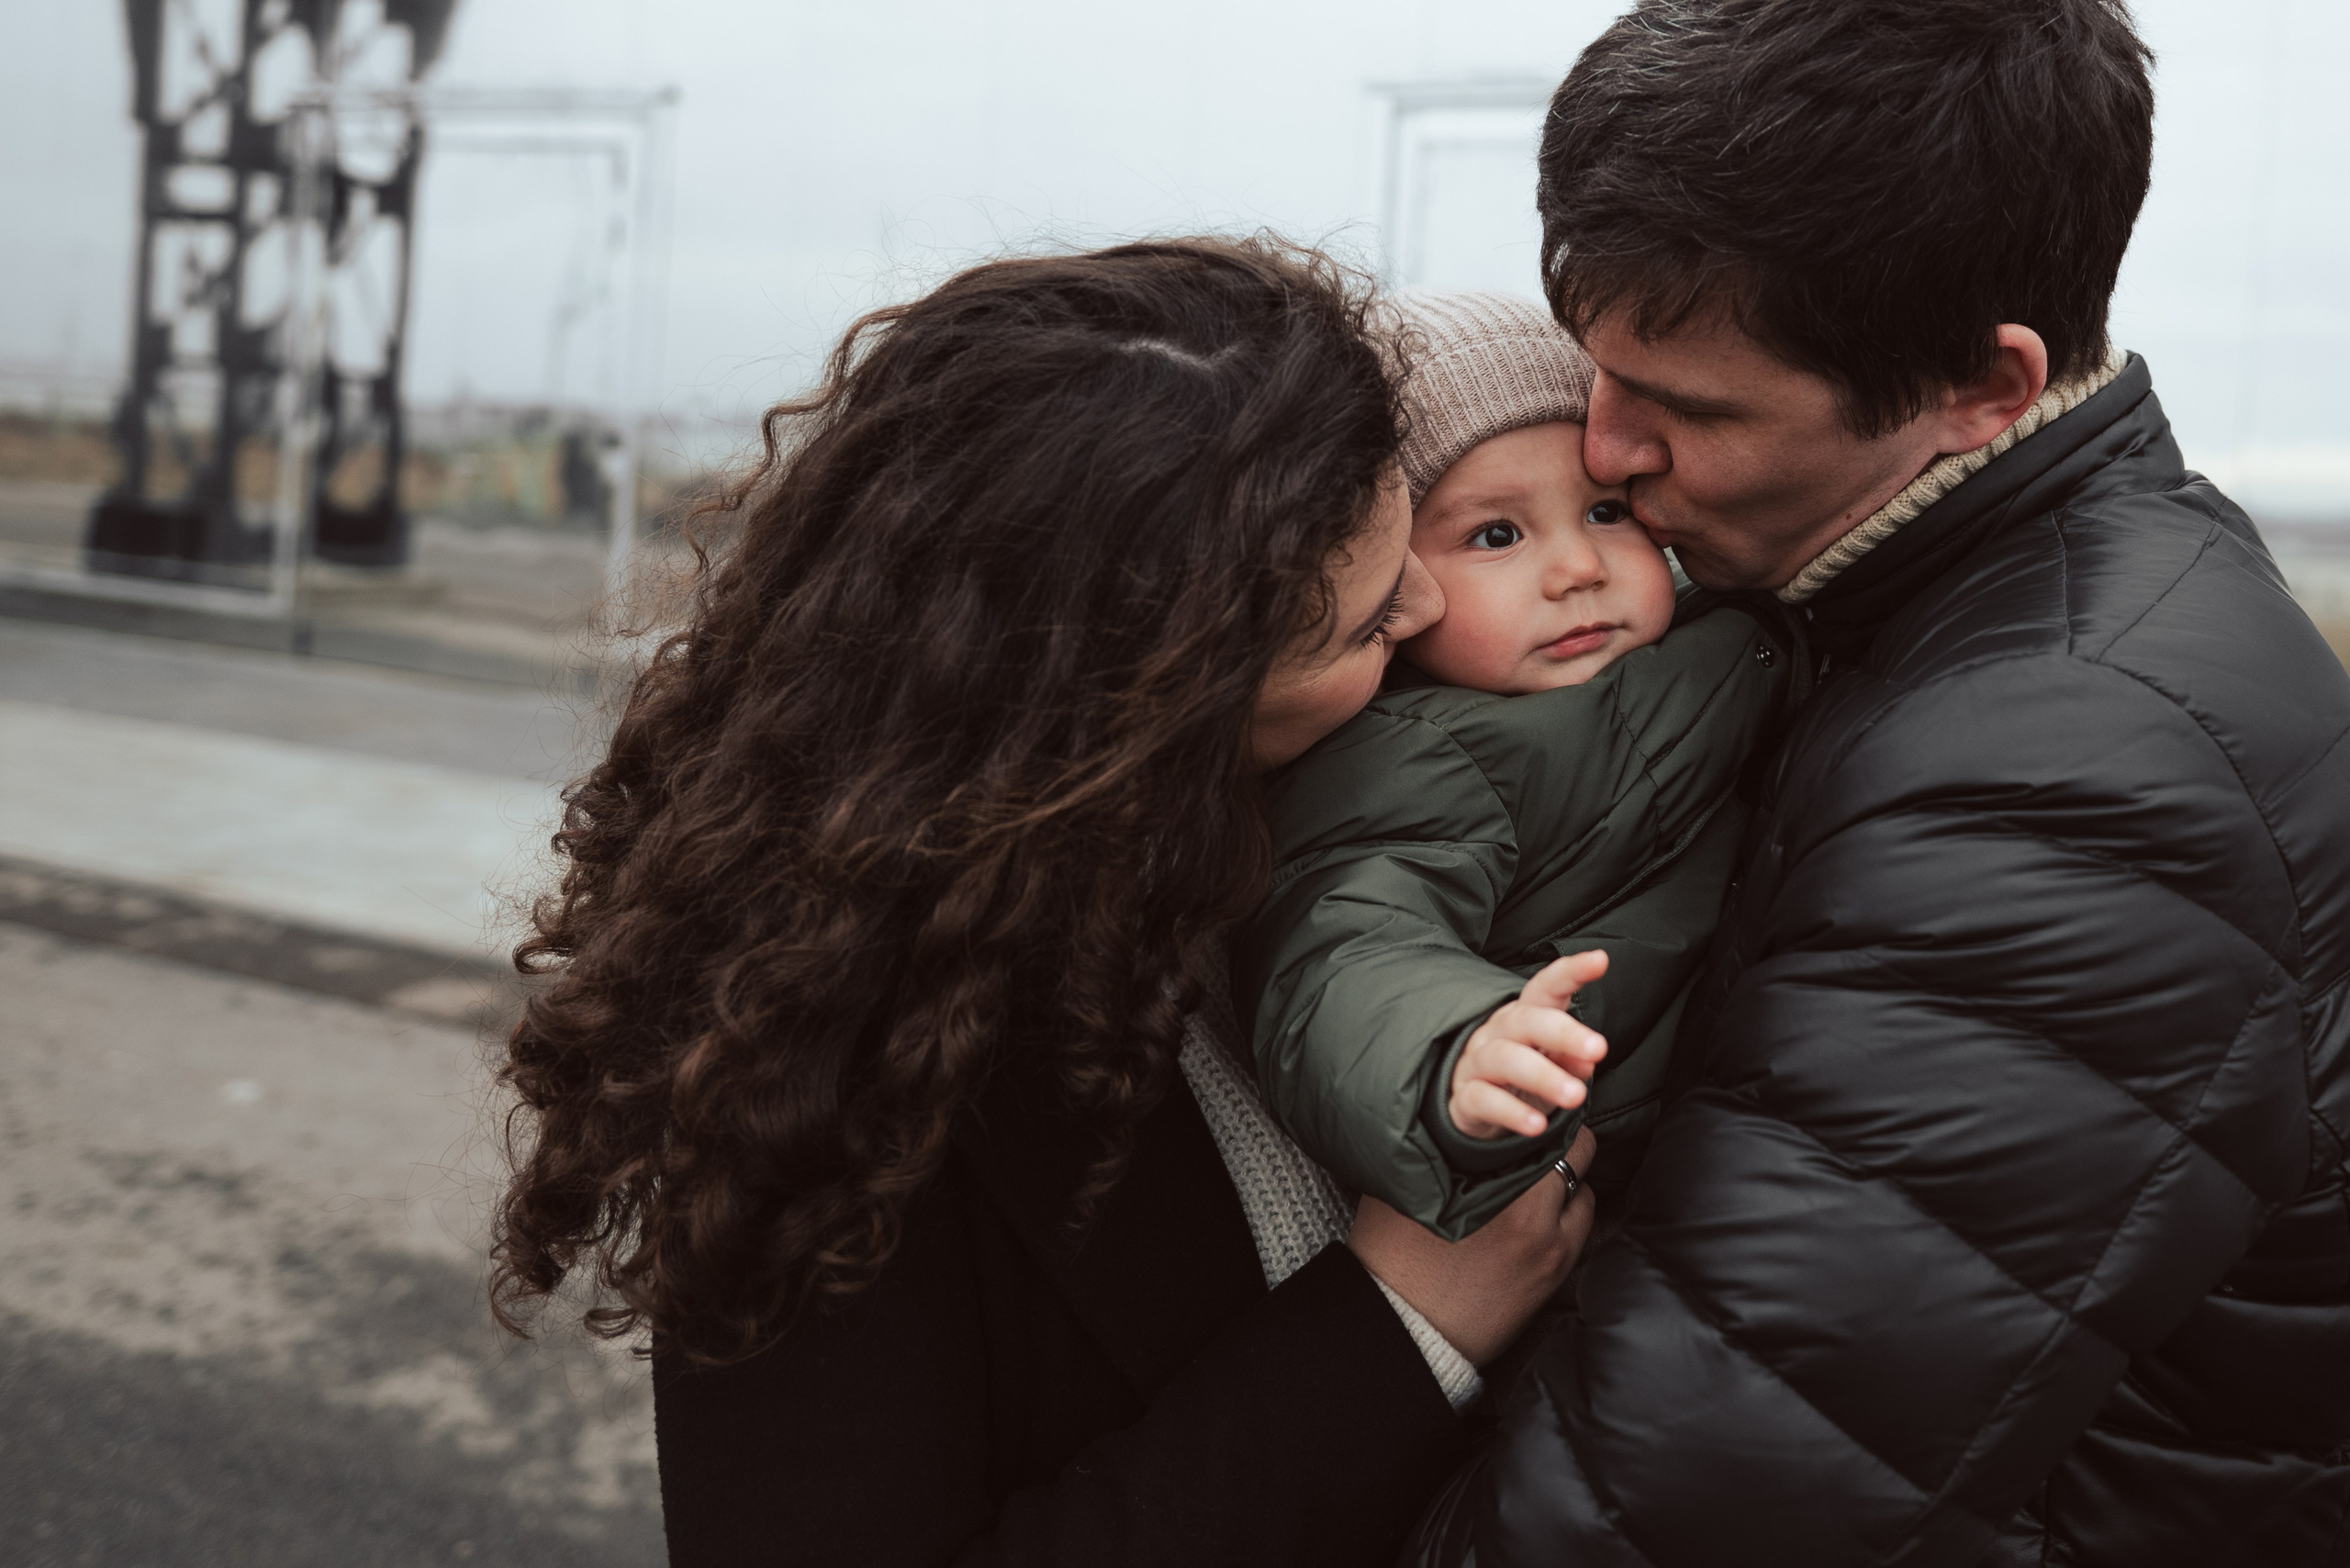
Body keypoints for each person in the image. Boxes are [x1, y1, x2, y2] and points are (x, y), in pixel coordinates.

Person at [484, 236, 1597, 1568]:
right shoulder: (831, 1062)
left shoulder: (1366, 801)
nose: (1423, 600)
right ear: (1155, 699)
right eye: (1359, 622)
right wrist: (1405, 1324)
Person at [1407, 2, 2350, 1563]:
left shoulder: (2067, 781)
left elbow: (1688, 1508)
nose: (1606, 446)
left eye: (1691, 409)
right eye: (1598, 367)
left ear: (1982, 385)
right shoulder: (1932, 598)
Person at [1234, 290, 1800, 1241]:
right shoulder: (1412, 755)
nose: (1577, 565)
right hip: (1611, 1171)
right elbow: (1346, 951)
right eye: (1495, 535)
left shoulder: (1732, 627)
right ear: (1391, 582)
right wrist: (1457, 1054)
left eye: (1606, 511)